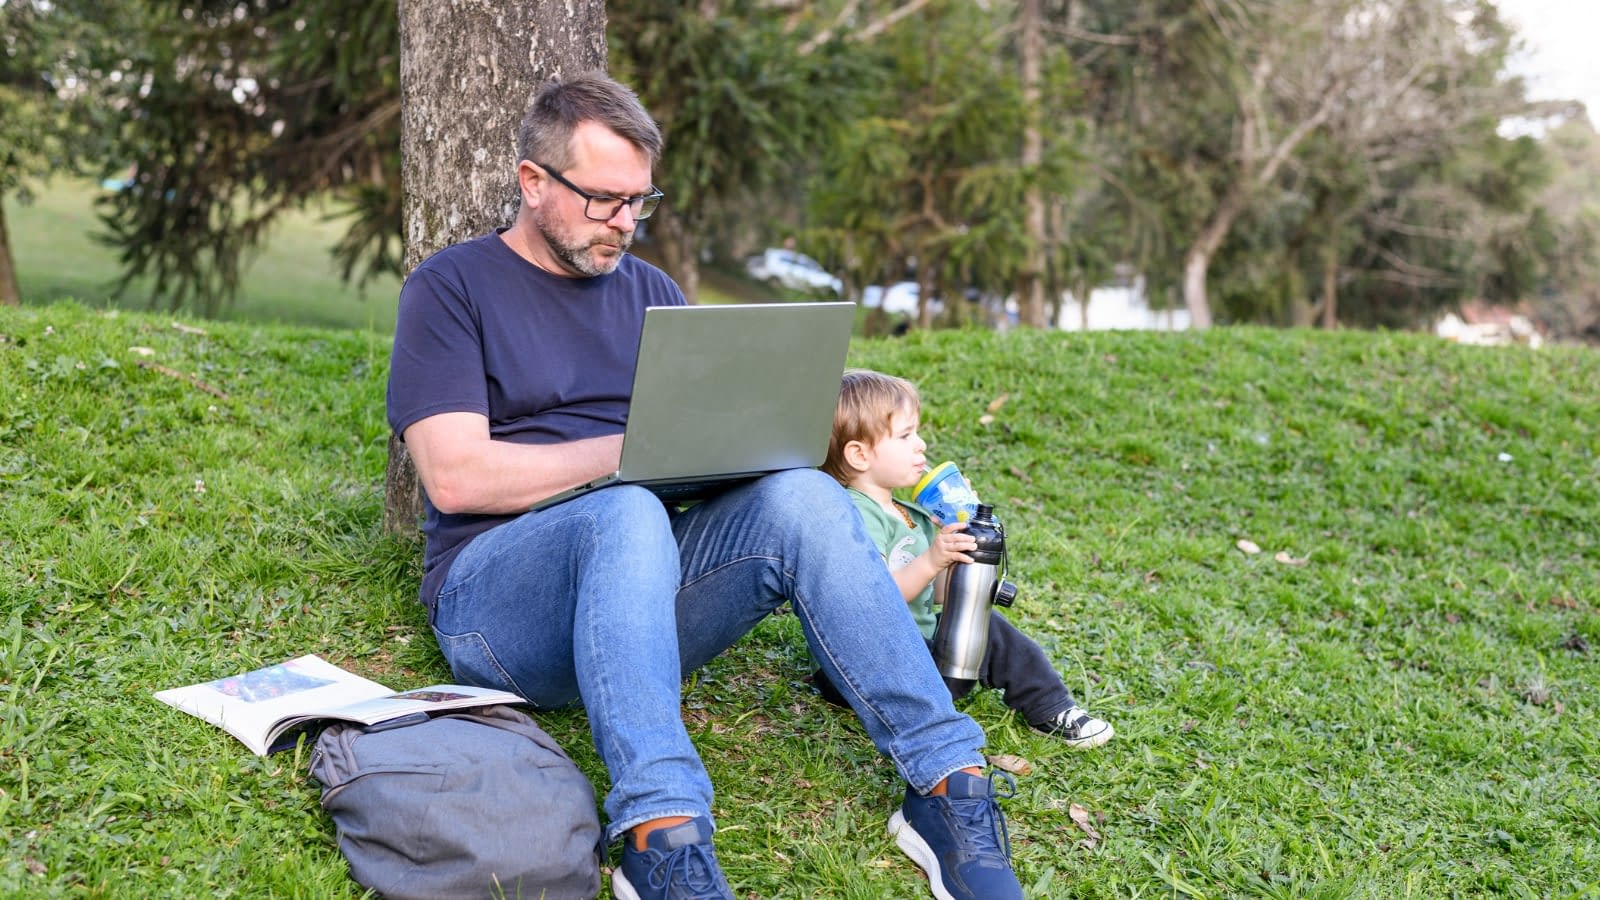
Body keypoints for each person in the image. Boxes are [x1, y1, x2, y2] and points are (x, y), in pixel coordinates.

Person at [385, 72, 1025, 900]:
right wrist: (628, 452)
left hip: (642, 595)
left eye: (640, 202)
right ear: (533, 181)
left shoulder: (654, 294)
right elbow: (455, 477)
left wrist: (753, 443)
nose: (625, 222)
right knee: (624, 508)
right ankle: (661, 835)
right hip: (501, 608)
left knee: (801, 494)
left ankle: (948, 786)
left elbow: (695, 473)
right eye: (604, 200)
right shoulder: (450, 288)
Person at [817, 369, 1115, 750]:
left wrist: (959, 542)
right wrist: (931, 559)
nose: (921, 445)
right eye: (906, 436)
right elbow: (873, 597)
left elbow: (939, 596)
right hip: (867, 664)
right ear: (859, 454)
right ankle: (1017, 711)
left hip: (919, 651)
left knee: (988, 627)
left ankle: (1052, 707)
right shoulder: (855, 513)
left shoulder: (912, 514)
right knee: (971, 637)